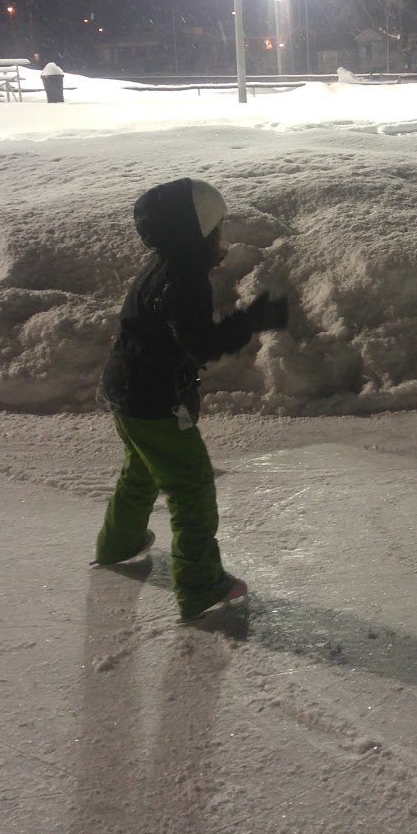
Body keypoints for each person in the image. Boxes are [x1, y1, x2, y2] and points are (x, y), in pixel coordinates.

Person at [95, 177, 288, 620]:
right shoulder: (185, 279)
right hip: (154, 401)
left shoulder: (163, 266)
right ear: (197, 230)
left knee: (141, 470)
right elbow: (200, 345)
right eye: (216, 227)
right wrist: (254, 318)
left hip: (127, 393)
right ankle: (200, 585)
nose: (221, 235)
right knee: (192, 489)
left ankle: (118, 543)